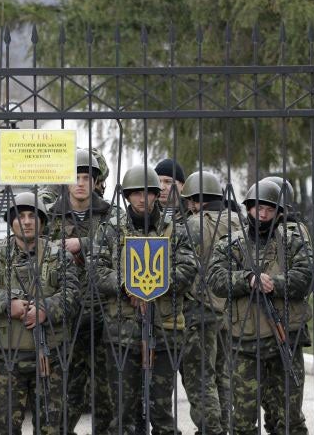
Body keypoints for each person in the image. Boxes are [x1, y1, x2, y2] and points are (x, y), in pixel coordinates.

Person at [95, 164, 197, 435]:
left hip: (164, 330)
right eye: (136, 193)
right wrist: (127, 285)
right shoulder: (110, 229)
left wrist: (153, 285)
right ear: (127, 196)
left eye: (148, 193)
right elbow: (96, 269)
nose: (142, 198)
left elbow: (188, 267)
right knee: (123, 414)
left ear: (155, 195)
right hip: (122, 332)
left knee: (161, 412)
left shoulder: (173, 229)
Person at [208, 180, 313, 435]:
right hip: (245, 344)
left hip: (285, 340)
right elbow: (215, 277)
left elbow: (306, 276)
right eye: (257, 208)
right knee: (242, 422)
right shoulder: (230, 243)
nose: (263, 214)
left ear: (278, 212)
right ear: (248, 208)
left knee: (290, 420)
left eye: (269, 209)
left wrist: (273, 283)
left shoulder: (293, 240)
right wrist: (247, 280)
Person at [0, 191, 78, 435]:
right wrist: (8, 304)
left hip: (49, 357)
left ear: (41, 221)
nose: (27, 221)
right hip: (7, 359)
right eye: (21, 216)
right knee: (6, 428)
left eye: (33, 216)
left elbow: (72, 293)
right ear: (11, 222)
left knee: (50, 428)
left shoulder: (58, 255)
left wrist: (45, 310)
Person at [47, 150, 113, 434]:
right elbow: (38, 254)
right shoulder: (50, 217)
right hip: (67, 316)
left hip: (103, 314)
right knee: (65, 394)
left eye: (87, 177)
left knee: (105, 395)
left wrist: (83, 244)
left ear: (95, 181)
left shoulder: (110, 214)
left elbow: (120, 246)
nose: (81, 183)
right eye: (75, 176)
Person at [179, 172, 241, 435]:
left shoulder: (191, 225)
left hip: (199, 309)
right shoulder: (238, 222)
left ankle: (210, 429)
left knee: (200, 375)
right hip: (232, 309)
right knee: (223, 374)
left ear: (194, 200)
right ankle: (224, 425)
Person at [154, 158, 187, 223]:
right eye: (158, 181)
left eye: (168, 182)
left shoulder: (194, 212)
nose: (161, 187)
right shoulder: (145, 213)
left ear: (182, 185)